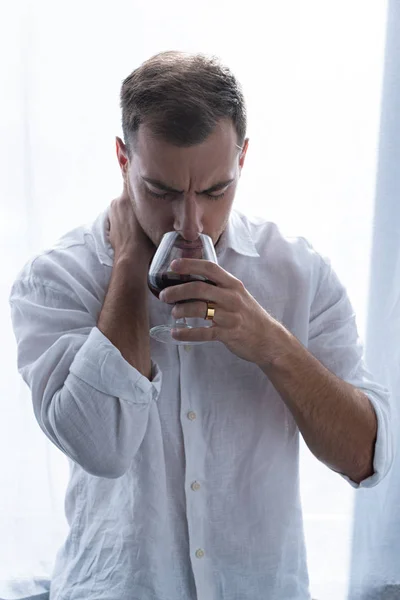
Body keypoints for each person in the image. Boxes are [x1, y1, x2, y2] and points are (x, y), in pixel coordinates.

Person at [9, 50, 392, 600]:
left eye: (215, 191)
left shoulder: (300, 274)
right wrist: (127, 268)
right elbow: (101, 447)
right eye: (162, 191)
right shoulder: (54, 280)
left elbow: (367, 458)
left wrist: (271, 344)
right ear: (123, 159)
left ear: (244, 158)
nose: (190, 222)